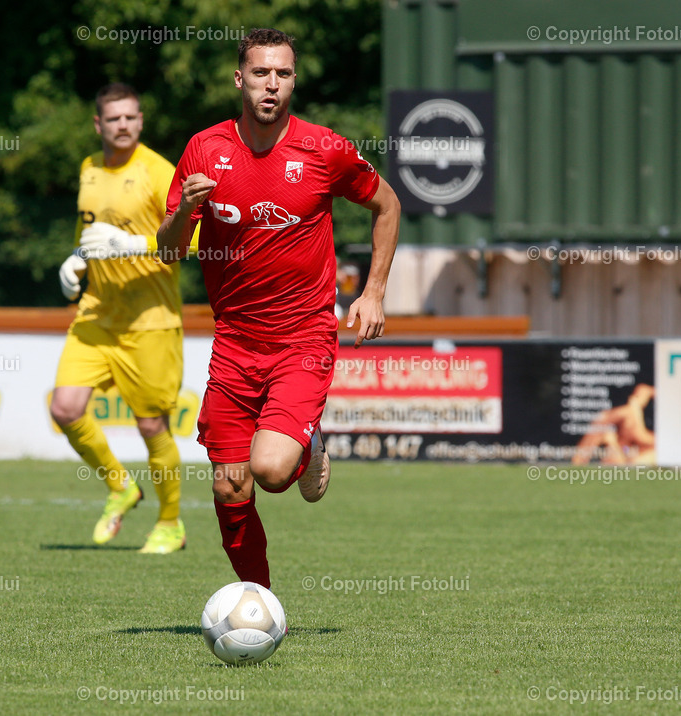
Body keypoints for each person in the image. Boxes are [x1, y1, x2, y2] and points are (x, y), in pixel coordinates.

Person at [155, 28, 401, 588]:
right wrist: (185, 213)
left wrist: (374, 291)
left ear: (294, 80)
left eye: (283, 74)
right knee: (228, 485)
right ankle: (260, 605)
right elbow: (168, 252)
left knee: (267, 470)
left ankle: (307, 442)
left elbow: (388, 204)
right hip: (235, 341)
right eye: (261, 73)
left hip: (304, 337)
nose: (272, 85)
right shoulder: (204, 150)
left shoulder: (324, 149)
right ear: (239, 79)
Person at [50, 82, 188, 554]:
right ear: (98, 124)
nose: (123, 125)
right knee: (64, 408)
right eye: (114, 119)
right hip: (97, 314)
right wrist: (75, 262)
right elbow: (87, 236)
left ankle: (170, 522)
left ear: (141, 121)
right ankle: (120, 487)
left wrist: (135, 244)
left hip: (150, 318)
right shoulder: (88, 168)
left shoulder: (157, 170)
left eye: (131, 117)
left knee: (152, 426)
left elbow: (193, 240)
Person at [571, 384, 656, 465]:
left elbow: (641, 437)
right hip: (625, 450)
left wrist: (636, 414)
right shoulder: (627, 414)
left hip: (632, 455)